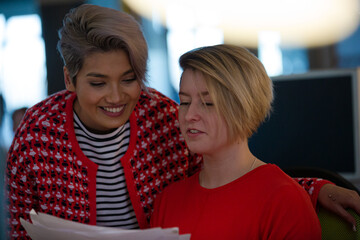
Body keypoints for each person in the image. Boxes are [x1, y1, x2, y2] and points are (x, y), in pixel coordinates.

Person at [4, 4, 360, 239]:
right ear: (69, 80)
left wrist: (312, 188)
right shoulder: (36, 135)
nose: (115, 97)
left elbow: (234, 177)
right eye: (97, 83)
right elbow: (21, 229)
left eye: (129, 79)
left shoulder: (160, 117)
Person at [150, 44, 321, 239]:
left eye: (208, 103)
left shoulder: (285, 200)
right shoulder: (168, 200)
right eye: (185, 102)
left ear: (243, 107)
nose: (189, 115)